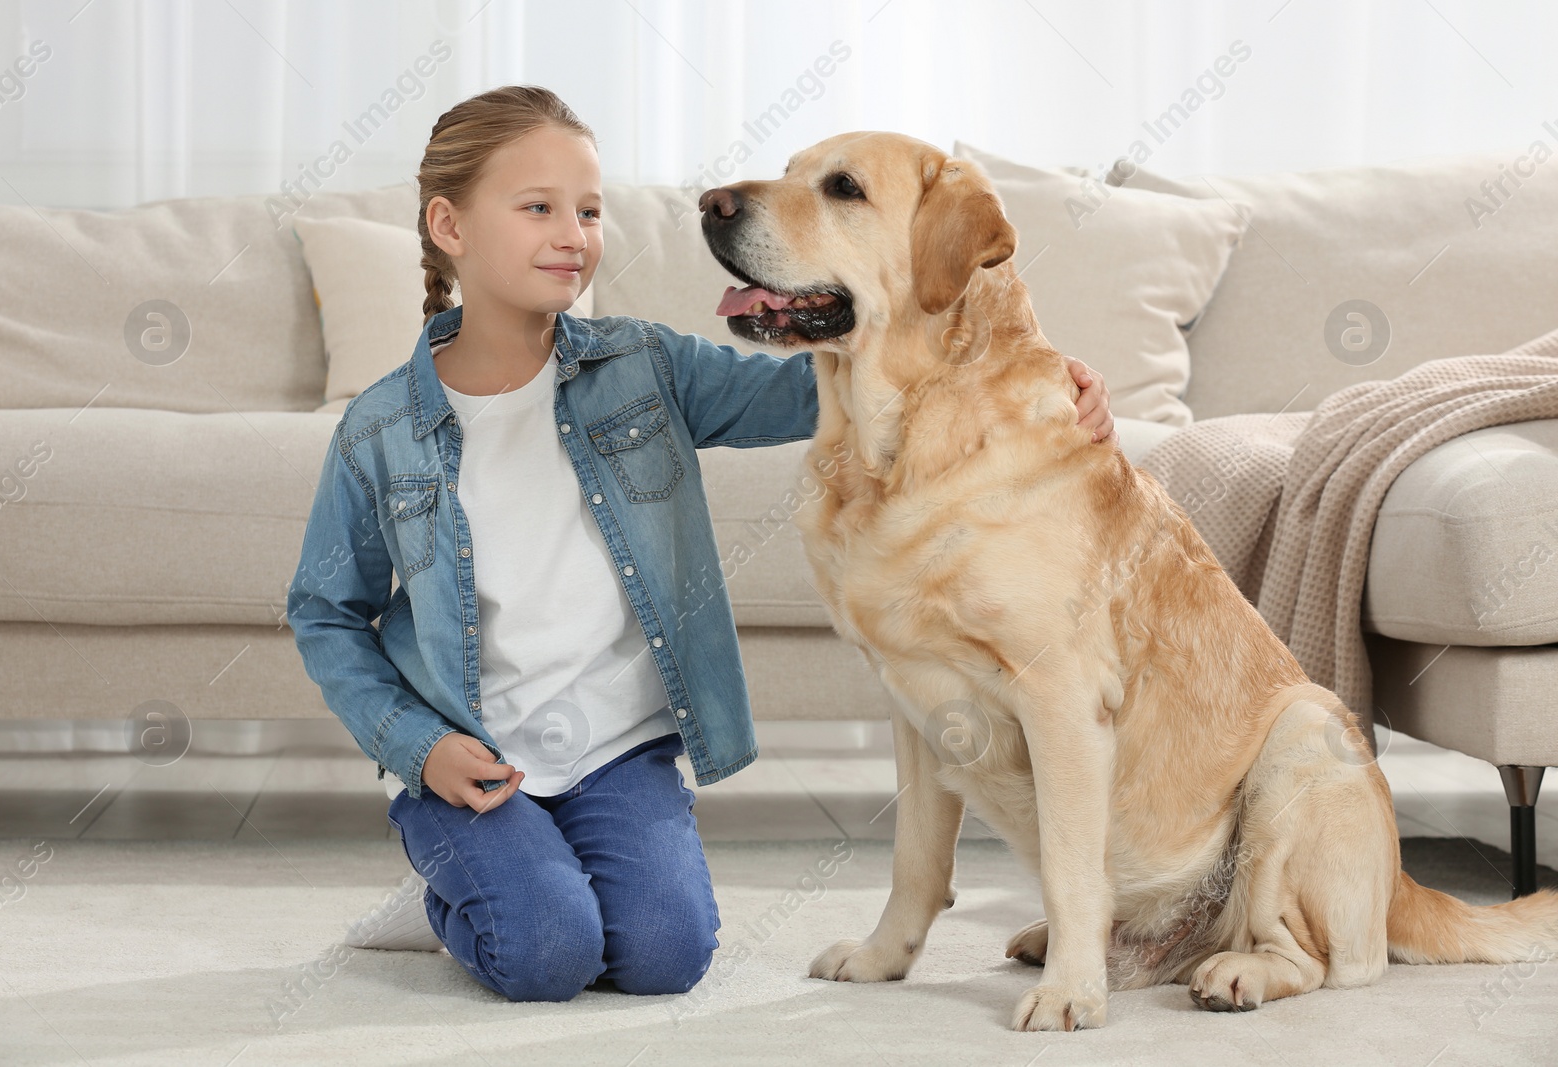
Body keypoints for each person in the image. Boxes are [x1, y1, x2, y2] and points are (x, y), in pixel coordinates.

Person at [286, 84, 1116, 1003]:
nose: (573, 234)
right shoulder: (380, 429)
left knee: (664, 956)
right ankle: (453, 882)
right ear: (449, 225)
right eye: (538, 209)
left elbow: (862, 382)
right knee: (546, 956)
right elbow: (324, 613)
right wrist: (417, 746)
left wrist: (1033, 374)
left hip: (615, 756)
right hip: (472, 767)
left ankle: (531, 868)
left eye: (590, 211)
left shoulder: (641, 368)